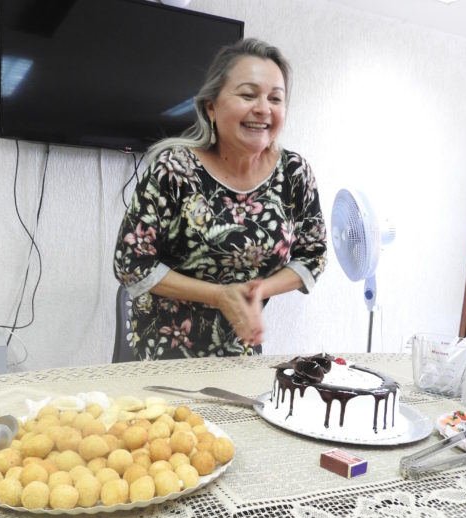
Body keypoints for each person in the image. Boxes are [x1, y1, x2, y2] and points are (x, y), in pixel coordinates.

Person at [113, 38, 327, 360]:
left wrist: (259, 290)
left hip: (241, 354)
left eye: (275, 98)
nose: (263, 109)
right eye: (248, 94)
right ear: (211, 106)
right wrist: (219, 296)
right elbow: (130, 263)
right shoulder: (175, 170)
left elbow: (313, 256)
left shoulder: (294, 174)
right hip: (165, 354)